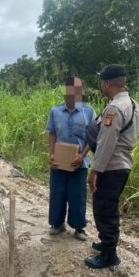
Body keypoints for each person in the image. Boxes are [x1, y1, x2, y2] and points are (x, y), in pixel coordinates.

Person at [85, 64, 139, 268]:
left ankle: (109, 254)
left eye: (101, 82)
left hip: (112, 166)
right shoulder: (132, 104)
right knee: (109, 205)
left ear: (107, 83)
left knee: (104, 209)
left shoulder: (114, 108)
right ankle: (106, 244)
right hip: (122, 163)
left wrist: (94, 171)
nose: (101, 85)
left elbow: (106, 143)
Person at [46, 77, 95, 241]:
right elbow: (52, 134)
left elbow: (91, 137)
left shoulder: (88, 112)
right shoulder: (55, 112)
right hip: (59, 163)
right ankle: (57, 224)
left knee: (78, 195)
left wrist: (82, 155)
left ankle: (79, 227)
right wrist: (52, 154)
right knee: (57, 193)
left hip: (79, 163)